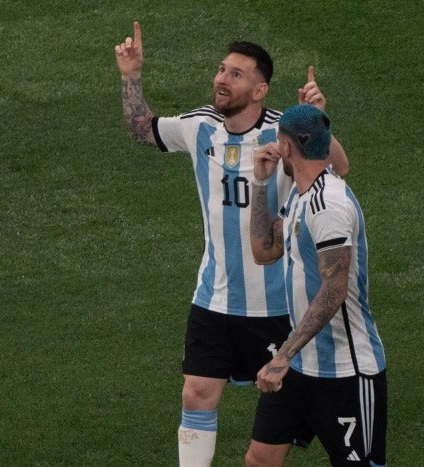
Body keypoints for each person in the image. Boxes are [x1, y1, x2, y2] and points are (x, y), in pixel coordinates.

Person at [114, 21, 349, 466]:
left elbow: (338, 166)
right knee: (196, 393)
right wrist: (131, 74)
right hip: (214, 296)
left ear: (260, 90)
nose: (222, 79)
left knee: (283, 422)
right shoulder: (199, 126)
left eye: (235, 74)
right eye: (221, 70)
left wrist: (319, 121)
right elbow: (141, 129)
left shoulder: (283, 132)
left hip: (278, 306)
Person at [246, 104, 387, 466]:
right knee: (259, 460)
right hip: (300, 366)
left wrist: (282, 356)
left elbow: (333, 291)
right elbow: (265, 251)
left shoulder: (328, 205)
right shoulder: (299, 194)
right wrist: (261, 184)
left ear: (287, 147)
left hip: (345, 372)